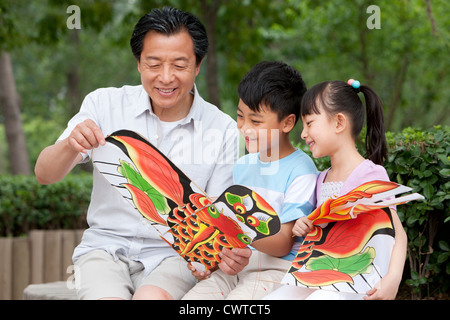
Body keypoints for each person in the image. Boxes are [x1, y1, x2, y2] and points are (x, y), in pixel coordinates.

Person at [34, 7, 250, 300]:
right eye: (154, 63)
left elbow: (215, 218)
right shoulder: (103, 104)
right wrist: (70, 144)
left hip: (175, 257)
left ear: (198, 65)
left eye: (179, 64)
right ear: (138, 63)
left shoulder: (222, 128)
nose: (166, 77)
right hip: (104, 249)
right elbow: (44, 175)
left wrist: (215, 257)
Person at [182, 61, 318, 300]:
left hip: (276, 269)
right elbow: (229, 236)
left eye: (255, 122)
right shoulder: (243, 166)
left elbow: (282, 244)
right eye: (240, 117)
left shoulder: (301, 170)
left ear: (287, 123)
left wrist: (232, 215)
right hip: (236, 267)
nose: (244, 128)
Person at [266, 79, 407, 300]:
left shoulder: (371, 175)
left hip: (358, 279)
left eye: (309, 123)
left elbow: (397, 234)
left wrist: (392, 280)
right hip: (321, 272)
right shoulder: (321, 179)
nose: (303, 134)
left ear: (339, 123)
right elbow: (323, 229)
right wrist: (305, 224)